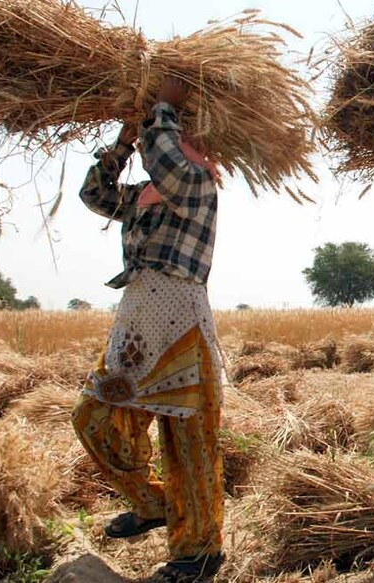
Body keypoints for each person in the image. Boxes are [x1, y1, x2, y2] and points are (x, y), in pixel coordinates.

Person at [70, 77, 226, 582]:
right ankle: (152, 502)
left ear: (197, 147)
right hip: (135, 328)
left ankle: (198, 552)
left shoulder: (197, 186)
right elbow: (92, 193)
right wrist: (120, 144)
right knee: (93, 418)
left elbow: (169, 164)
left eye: (180, 135)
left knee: (189, 443)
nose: (165, 140)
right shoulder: (140, 197)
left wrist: (163, 107)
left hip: (181, 327)